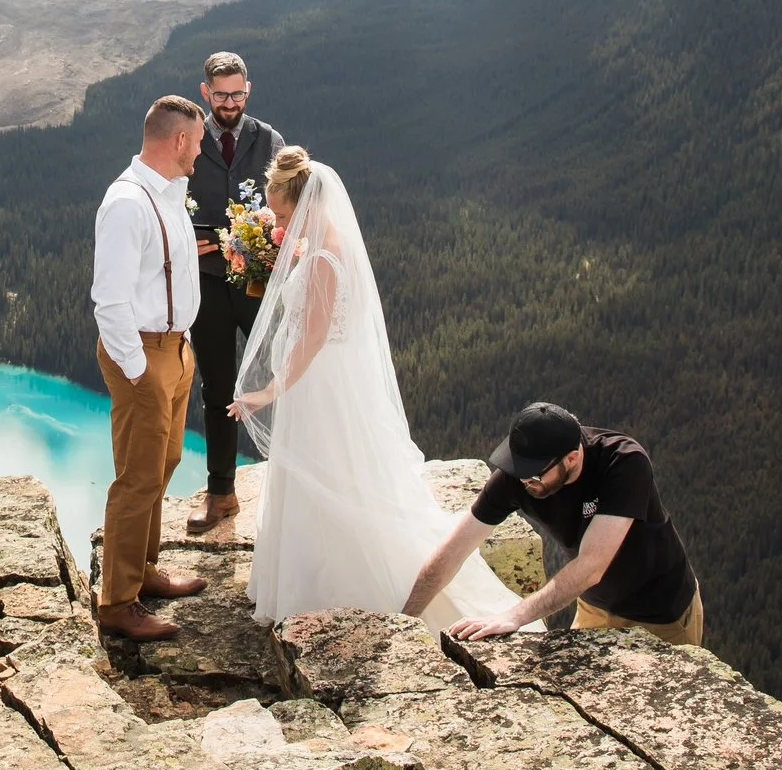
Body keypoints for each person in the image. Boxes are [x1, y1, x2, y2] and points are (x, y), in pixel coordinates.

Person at [227, 148, 518, 627]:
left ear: (306, 204)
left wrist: (268, 391)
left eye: (282, 215)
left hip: (319, 388)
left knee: (324, 478)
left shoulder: (323, 258)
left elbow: (313, 338)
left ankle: (332, 591)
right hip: (326, 383)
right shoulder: (328, 244)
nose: (279, 226)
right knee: (325, 478)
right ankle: (309, 581)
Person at [402, 402, 704, 647]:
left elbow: (592, 565)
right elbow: (453, 550)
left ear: (571, 458)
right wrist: (405, 622)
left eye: (535, 473)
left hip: (662, 613)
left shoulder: (623, 462)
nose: (524, 480)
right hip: (594, 607)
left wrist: (515, 616)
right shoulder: (517, 476)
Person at [90, 94, 212, 641]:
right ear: (179, 140)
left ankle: (142, 570)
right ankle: (117, 603)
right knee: (137, 478)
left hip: (176, 350)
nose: (200, 152)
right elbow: (110, 300)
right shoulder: (127, 203)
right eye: (197, 142)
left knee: (164, 462)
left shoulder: (168, 193)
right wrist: (139, 371)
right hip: (143, 355)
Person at [186, 50, 282, 533]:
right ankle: (221, 495)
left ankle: (294, 493)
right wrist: (185, 236)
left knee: (281, 378)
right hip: (205, 283)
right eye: (221, 95)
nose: (229, 103)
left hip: (258, 283)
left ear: (249, 89)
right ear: (206, 92)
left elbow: (288, 200)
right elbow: (168, 199)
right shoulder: (188, 136)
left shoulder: (270, 139)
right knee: (217, 388)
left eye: (237, 94)